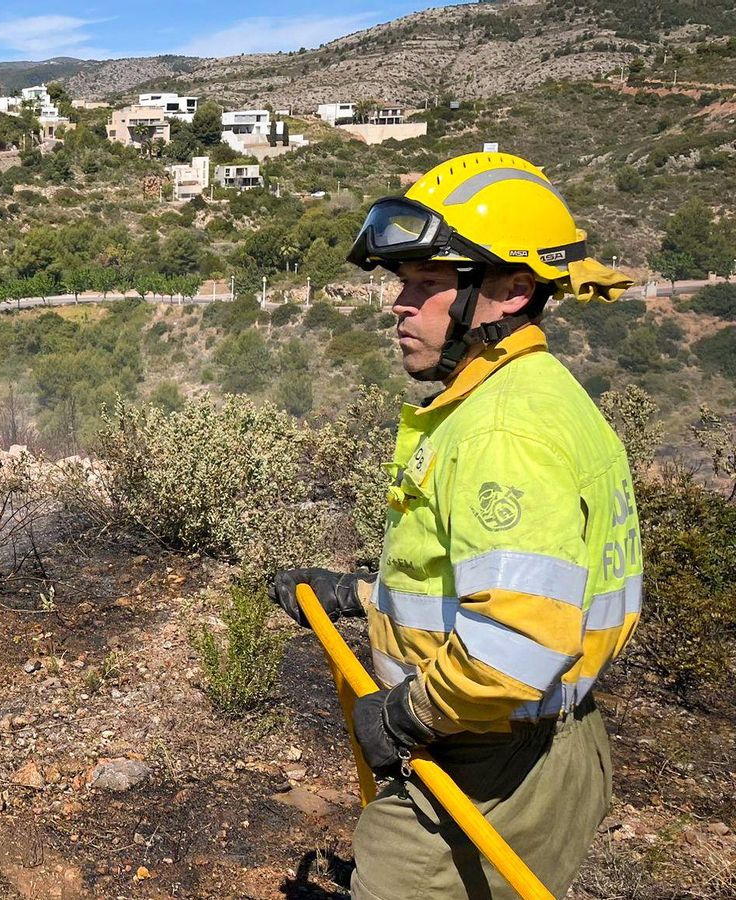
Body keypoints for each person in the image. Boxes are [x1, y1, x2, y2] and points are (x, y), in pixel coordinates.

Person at [271, 152, 641, 899]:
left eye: (427, 283)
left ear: (511, 291)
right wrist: (359, 595)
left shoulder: (503, 431)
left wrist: (405, 716)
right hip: (540, 739)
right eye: (402, 283)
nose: (398, 305)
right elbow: (502, 584)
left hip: (492, 759)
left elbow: (517, 643)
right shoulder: (531, 392)